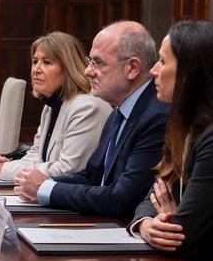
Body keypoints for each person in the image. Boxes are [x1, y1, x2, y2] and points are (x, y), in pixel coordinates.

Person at [13, 21, 169, 223]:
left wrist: (46, 189)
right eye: (90, 61)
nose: (88, 71)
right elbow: (93, 175)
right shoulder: (119, 111)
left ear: (132, 67)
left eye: (98, 63)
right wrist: (44, 183)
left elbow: (123, 199)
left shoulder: (155, 116)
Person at [128, 20, 213, 261]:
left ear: (190, 74)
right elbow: (153, 195)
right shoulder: (184, 125)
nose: (153, 71)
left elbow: (182, 237)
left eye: (162, 61)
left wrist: (171, 219)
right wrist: (146, 224)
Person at [0, 31, 110, 181]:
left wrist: (4, 171)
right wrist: (5, 164)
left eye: (47, 62)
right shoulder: (52, 104)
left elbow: (69, 170)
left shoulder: (86, 107)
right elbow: (37, 155)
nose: (36, 69)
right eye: (35, 62)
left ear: (68, 68)